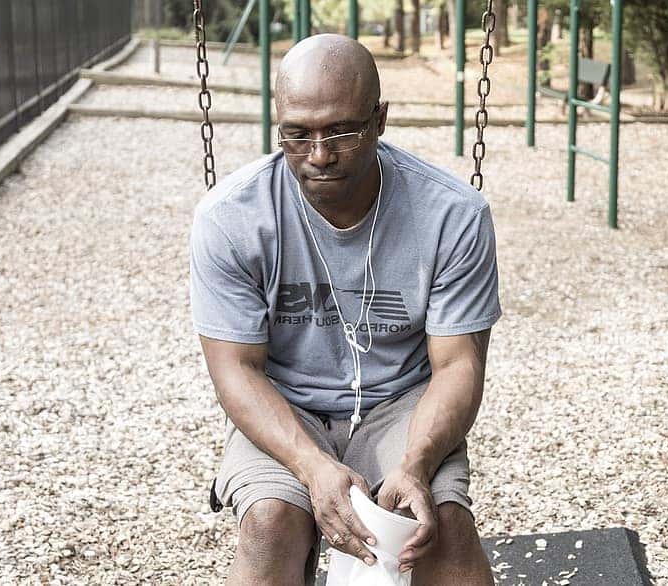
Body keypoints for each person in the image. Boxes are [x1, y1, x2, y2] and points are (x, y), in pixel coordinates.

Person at [190, 33, 500, 586]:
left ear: (379, 119)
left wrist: (417, 463)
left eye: (341, 131)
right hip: (287, 403)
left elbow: (457, 365)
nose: (319, 155)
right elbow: (235, 368)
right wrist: (312, 468)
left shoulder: (453, 215)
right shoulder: (230, 218)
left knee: (444, 529)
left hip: (400, 400)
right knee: (270, 525)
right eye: (297, 134)